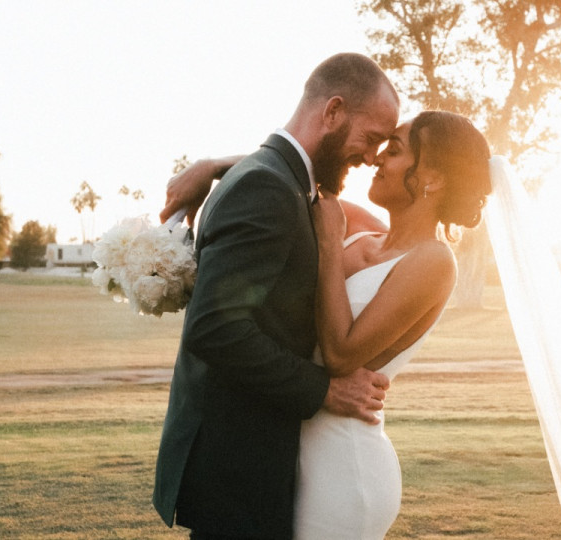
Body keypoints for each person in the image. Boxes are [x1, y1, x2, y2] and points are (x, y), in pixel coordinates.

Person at [163, 111, 493, 539]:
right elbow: (284, 170)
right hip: (294, 450)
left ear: (434, 177)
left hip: (344, 466)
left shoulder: (433, 261)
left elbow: (340, 354)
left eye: (393, 151)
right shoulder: (363, 231)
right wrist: (210, 166)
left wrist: (329, 245)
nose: (376, 159)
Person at [152, 52, 400, 540]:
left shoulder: (279, 179)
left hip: (245, 459)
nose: (372, 156)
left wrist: (216, 162)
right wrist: (326, 390)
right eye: (370, 139)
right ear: (331, 112)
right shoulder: (268, 187)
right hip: (238, 464)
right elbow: (216, 327)